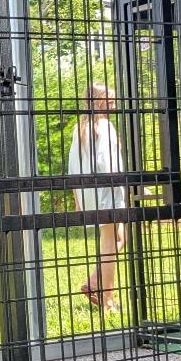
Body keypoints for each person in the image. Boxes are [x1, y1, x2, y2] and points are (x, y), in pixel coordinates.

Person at [68, 81, 127, 309]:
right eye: (109, 100)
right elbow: (108, 164)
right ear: (98, 102)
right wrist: (132, 187)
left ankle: (94, 282)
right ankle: (107, 299)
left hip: (89, 193)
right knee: (111, 243)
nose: (113, 104)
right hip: (107, 192)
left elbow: (72, 166)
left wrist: (78, 199)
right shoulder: (105, 127)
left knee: (121, 238)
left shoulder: (79, 128)